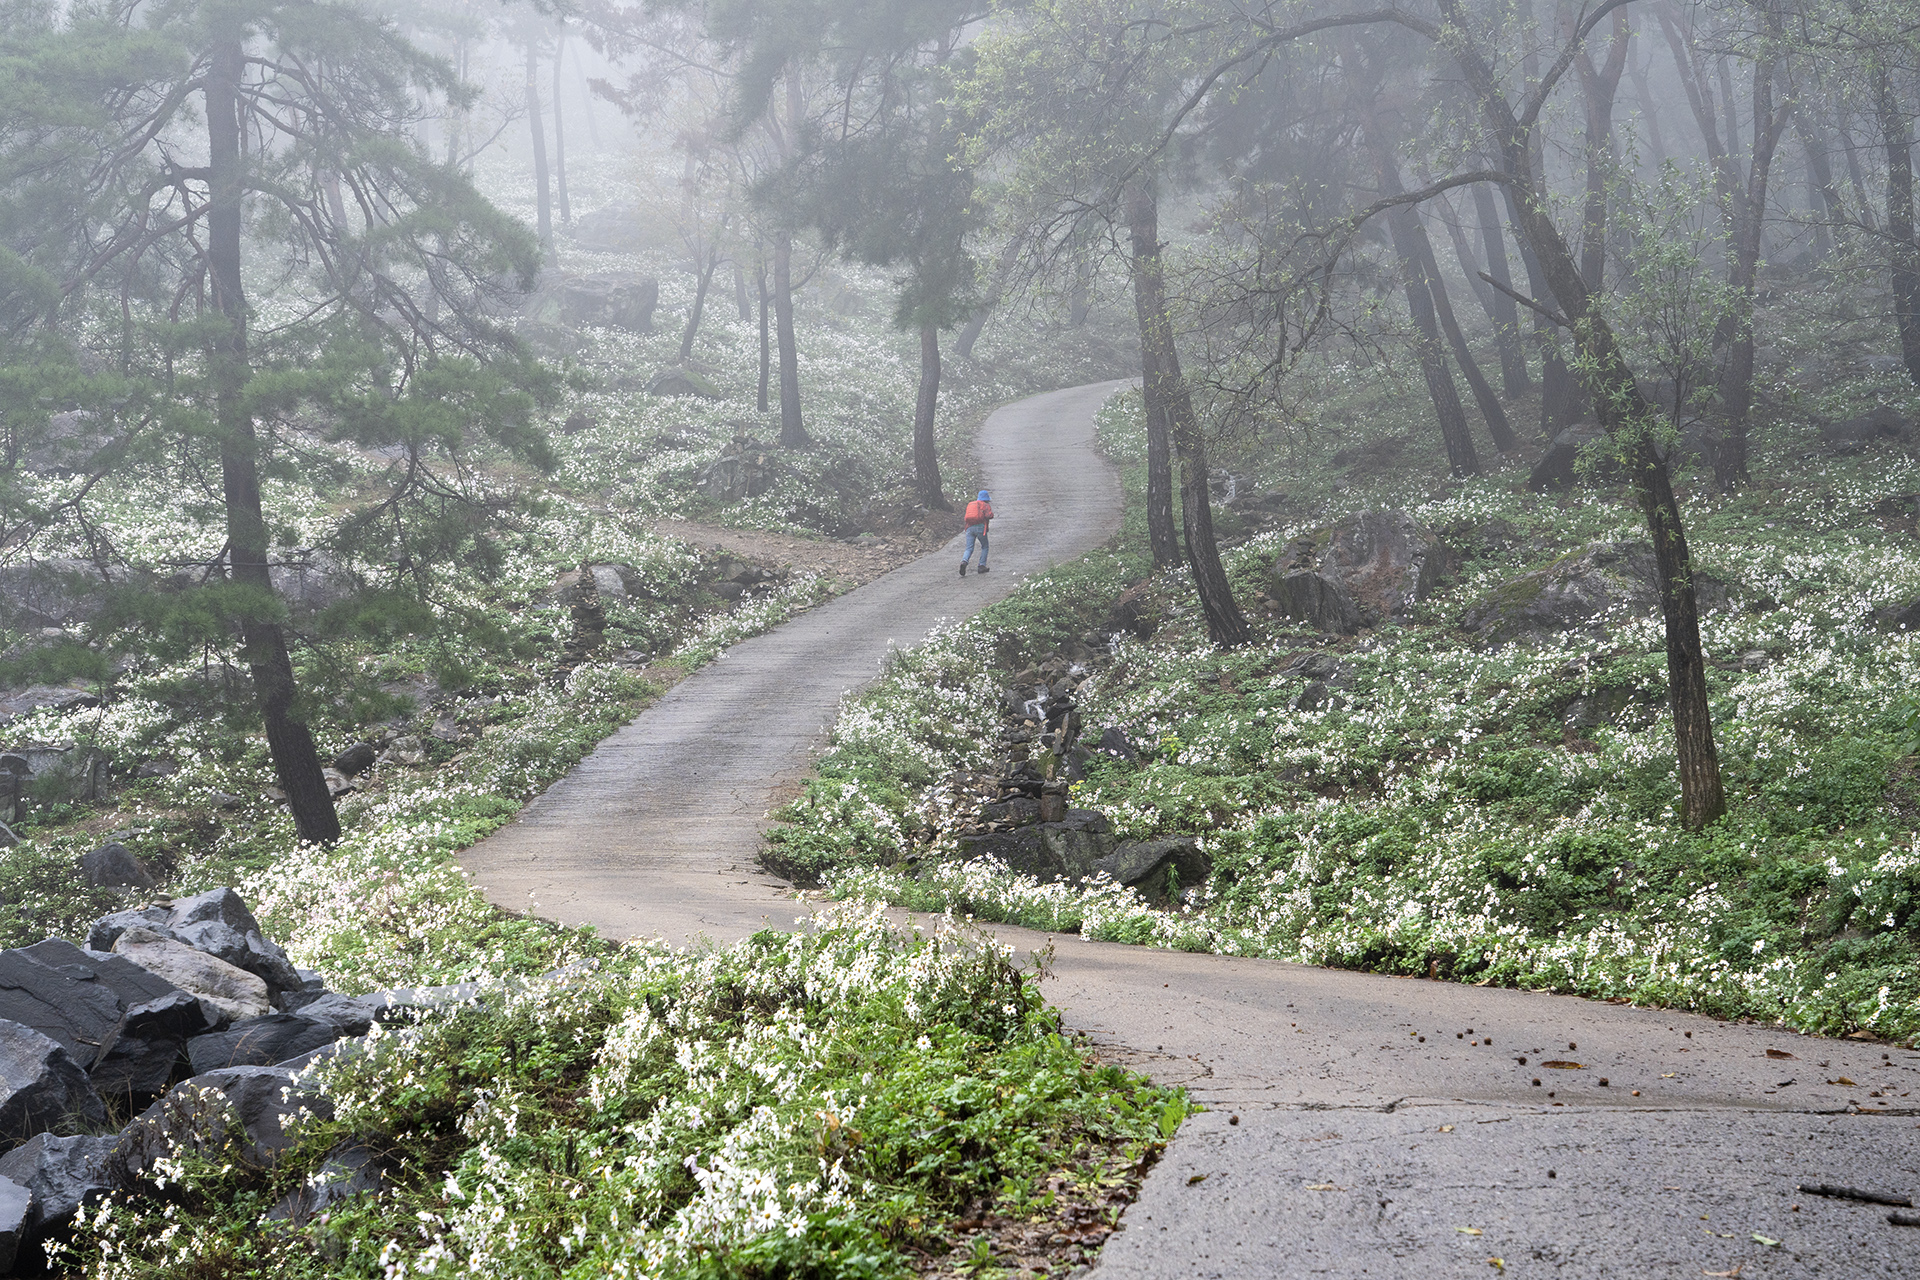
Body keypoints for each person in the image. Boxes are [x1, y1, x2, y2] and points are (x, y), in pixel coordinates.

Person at [960, 489, 993, 576]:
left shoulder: (972, 504)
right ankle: (981, 565)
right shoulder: (985, 505)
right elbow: (989, 515)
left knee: (969, 548)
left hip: (969, 528)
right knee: (985, 546)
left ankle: (964, 561)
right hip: (980, 528)